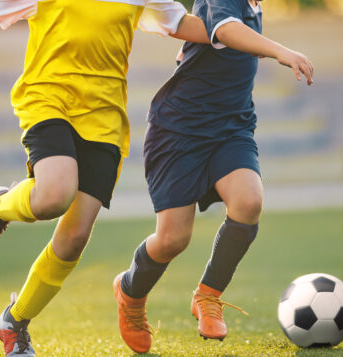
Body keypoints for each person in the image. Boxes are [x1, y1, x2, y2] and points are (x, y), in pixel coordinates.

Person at [0, 1, 209, 355]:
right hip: (49, 98)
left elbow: (181, 24)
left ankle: (14, 321)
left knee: (74, 239)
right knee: (54, 195)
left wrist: (240, 33)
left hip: (104, 119)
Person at [112, 0, 314, 353]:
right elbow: (224, 29)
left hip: (230, 128)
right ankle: (130, 292)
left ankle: (208, 296)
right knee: (173, 239)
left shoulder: (254, 4)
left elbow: (222, 39)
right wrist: (281, 51)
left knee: (249, 201)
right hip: (178, 131)